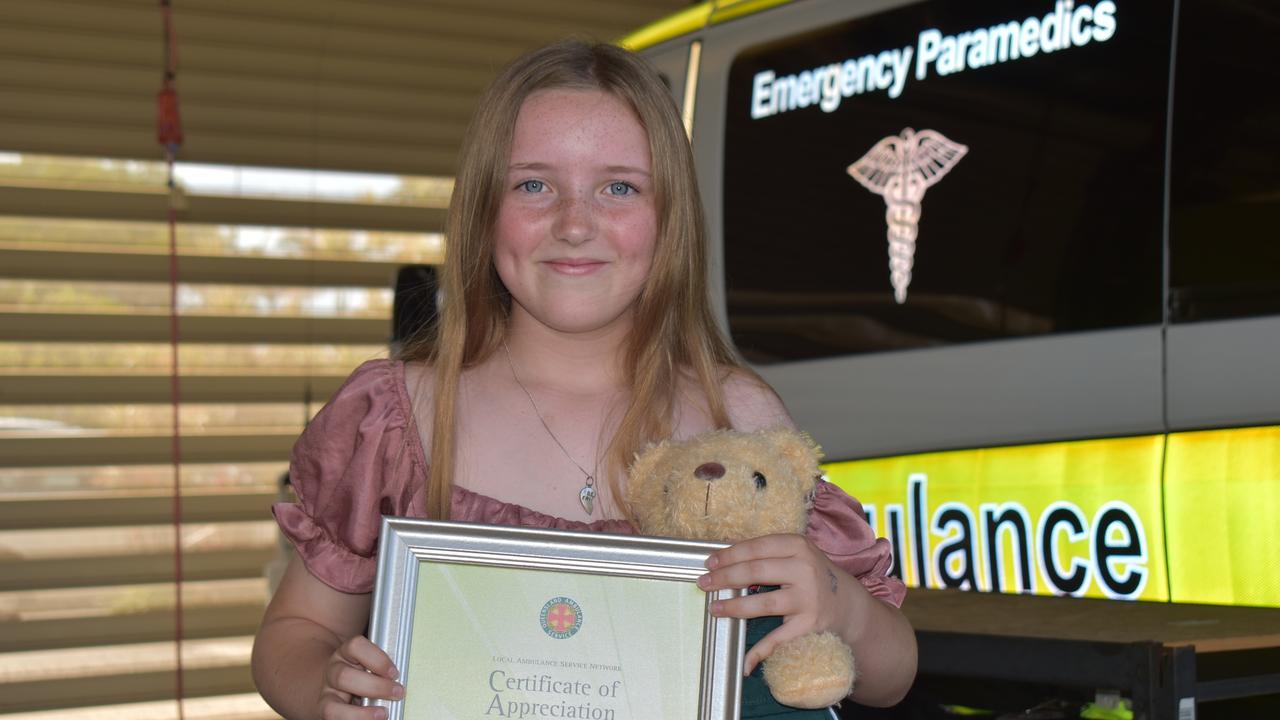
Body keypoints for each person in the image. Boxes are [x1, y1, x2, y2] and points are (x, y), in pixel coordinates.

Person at [251, 40, 917, 720]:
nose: (574, 224)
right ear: (483, 210)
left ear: (671, 218)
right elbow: (295, 633)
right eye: (533, 185)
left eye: (619, 187)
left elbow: (891, 677)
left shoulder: (738, 416)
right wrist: (324, 688)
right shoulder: (400, 416)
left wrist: (840, 604)